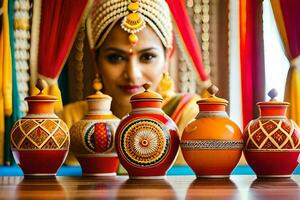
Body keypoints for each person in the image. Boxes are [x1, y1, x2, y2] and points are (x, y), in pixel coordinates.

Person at [60, 0, 201, 167]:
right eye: (116, 58)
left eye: (147, 57)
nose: (133, 74)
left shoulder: (191, 118)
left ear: (167, 58)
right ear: (96, 60)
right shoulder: (72, 121)